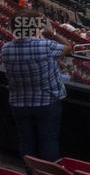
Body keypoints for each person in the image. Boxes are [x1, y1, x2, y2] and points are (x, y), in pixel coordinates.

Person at [1, 13, 67, 160]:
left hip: (18, 103)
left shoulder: (6, 49)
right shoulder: (45, 45)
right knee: (48, 141)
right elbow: (69, 48)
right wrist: (51, 34)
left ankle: (31, 174)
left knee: (26, 141)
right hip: (46, 102)